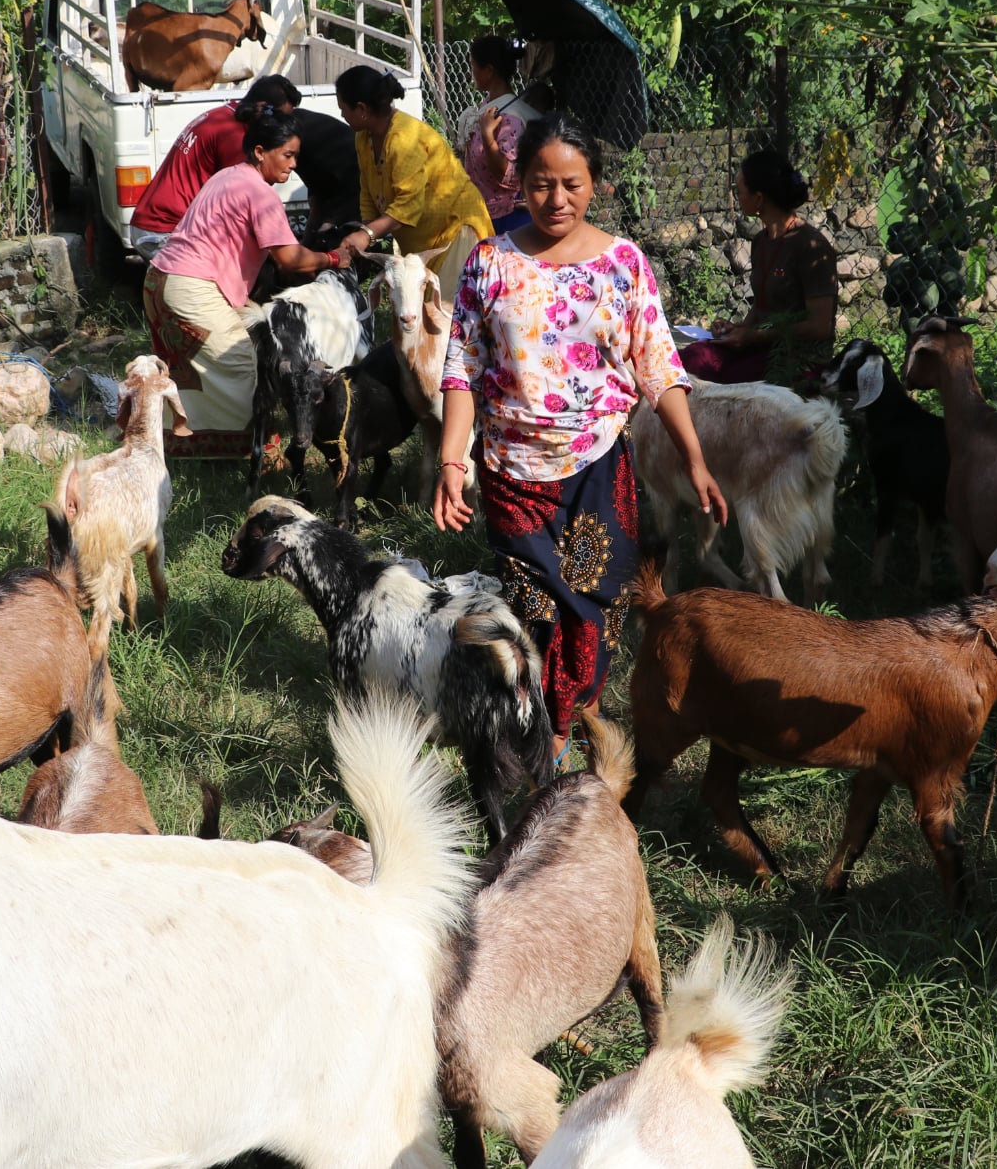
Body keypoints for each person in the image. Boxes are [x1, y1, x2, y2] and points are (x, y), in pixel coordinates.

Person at [436, 114, 727, 763]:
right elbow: (462, 366)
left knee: (590, 610)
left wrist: (696, 459)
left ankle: (564, 731)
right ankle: (543, 734)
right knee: (535, 612)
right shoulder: (490, 263)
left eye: (572, 183)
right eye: (541, 184)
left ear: (594, 182)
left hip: (597, 466)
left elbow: (659, 366)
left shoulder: (624, 264)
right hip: (513, 473)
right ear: (520, 183)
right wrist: (452, 460)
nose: (556, 199)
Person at [142, 113, 350, 454]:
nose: (294, 165)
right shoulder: (259, 193)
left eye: (296, 156)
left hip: (158, 281)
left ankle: (172, 442)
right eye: (287, 155)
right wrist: (332, 259)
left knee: (186, 371)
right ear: (259, 152)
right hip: (189, 288)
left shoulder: (227, 176)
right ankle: (249, 451)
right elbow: (289, 259)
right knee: (243, 363)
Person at [681, 149, 840, 385]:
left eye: (740, 191)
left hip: (796, 358)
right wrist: (736, 329)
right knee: (689, 360)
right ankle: (631, 424)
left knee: (729, 381)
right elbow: (762, 305)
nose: (736, 198)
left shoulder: (811, 246)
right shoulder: (761, 241)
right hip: (760, 347)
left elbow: (819, 326)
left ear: (759, 198)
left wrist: (754, 337)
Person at [334, 65, 492, 298]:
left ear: (362, 109)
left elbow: (407, 207)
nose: (341, 115)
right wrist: (367, 233)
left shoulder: (403, 140)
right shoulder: (363, 138)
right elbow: (367, 188)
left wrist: (367, 233)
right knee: (419, 316)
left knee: (448, 316)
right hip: (424, 241)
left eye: (343, 109)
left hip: (455, 231)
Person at [127, 76, 302, 259]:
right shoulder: (235, 135)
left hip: (154, 223)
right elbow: (242, 203)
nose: (283, 127)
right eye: (281, 118)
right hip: (165, 230)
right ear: (263, 108)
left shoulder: (223, 115)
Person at [453, 35, 541, 236]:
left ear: (489, 70)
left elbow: (507, 173)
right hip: (483, 214)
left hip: (508, 220)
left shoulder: (510, 117)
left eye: (473, 65)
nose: (471, 72)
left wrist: (486, 136)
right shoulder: (488, 105)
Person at [288, 106, 361, 247]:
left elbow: (317, 203)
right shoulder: (300, 135)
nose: (290, 165)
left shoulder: (297, 138)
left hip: (353, 183)